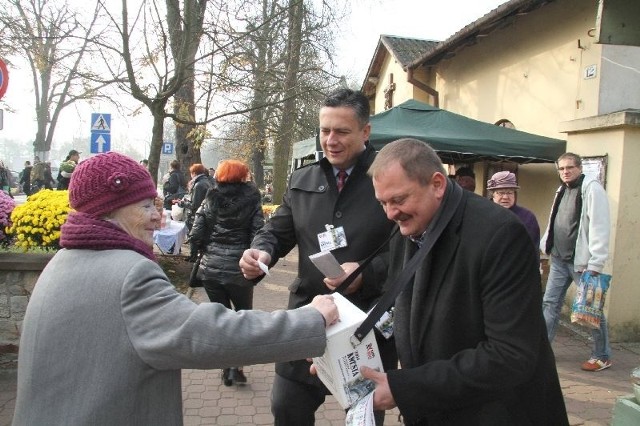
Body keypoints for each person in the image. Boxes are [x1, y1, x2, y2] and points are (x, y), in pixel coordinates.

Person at [12, 151, 339, 425]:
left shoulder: (60, 263)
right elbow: (208, 334)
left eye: (155, 204)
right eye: (144, 207)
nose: (158, 218)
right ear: (107, 212)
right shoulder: (130, 274)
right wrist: (310, 319)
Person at [357, 138, 567, 425]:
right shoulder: (410, 225)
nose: (391, 213)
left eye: (399, 199)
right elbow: (399, 311)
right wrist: (344, 349)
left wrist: (405, 387)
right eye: (383, 203)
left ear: (437, 184)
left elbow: (510, 356)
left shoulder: (500, 234)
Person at [240, 88, 397, 425]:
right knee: (286, 407)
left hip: (367, 323)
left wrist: (366, 274)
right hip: (308, 317)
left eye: (341, 131)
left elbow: (410, 247)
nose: (331, 140)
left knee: (363, 416)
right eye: (325, 130)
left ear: (365, 132)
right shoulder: (303, 178)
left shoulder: (390, 176)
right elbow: (278, 231)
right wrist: (261, 251)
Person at [189, 159, 264, 387]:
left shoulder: (210, 197)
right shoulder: (252, 199)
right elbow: (258, 232)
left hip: (210, 269)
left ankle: (226, 367)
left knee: (221, 318)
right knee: (243, 317)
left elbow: (196, 231)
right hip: (240, 270)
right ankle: (236, 368)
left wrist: (204, 250)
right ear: (242, 177)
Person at [540, 152, 611, 372]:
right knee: (550, 303)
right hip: (559, 259)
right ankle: (541, 352)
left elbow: (600, 226)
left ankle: (602, 355)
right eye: (561, 169)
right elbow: (555, 220)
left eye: (569, 167)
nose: (565, 172)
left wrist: (596, 263)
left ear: (579, 168)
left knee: (590, 310)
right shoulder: (561, 189)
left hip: (582, 263)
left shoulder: (592, 189)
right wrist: (546, 246)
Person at [486, 171, 540, 250]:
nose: (505, 197)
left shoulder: (527, 217)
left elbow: (532, 249)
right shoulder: (483, 215)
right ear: (492, 194)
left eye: (510, 192)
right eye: (501, 193)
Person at [179, 163, 215, 259]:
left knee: (194, 235)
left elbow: (195, 205)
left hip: (197, 214)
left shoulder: (199, 185)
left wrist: (182, 203)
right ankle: (195, 255)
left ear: (194, 173)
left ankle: (193, 256)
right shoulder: (206, 181)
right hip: (205, 213)